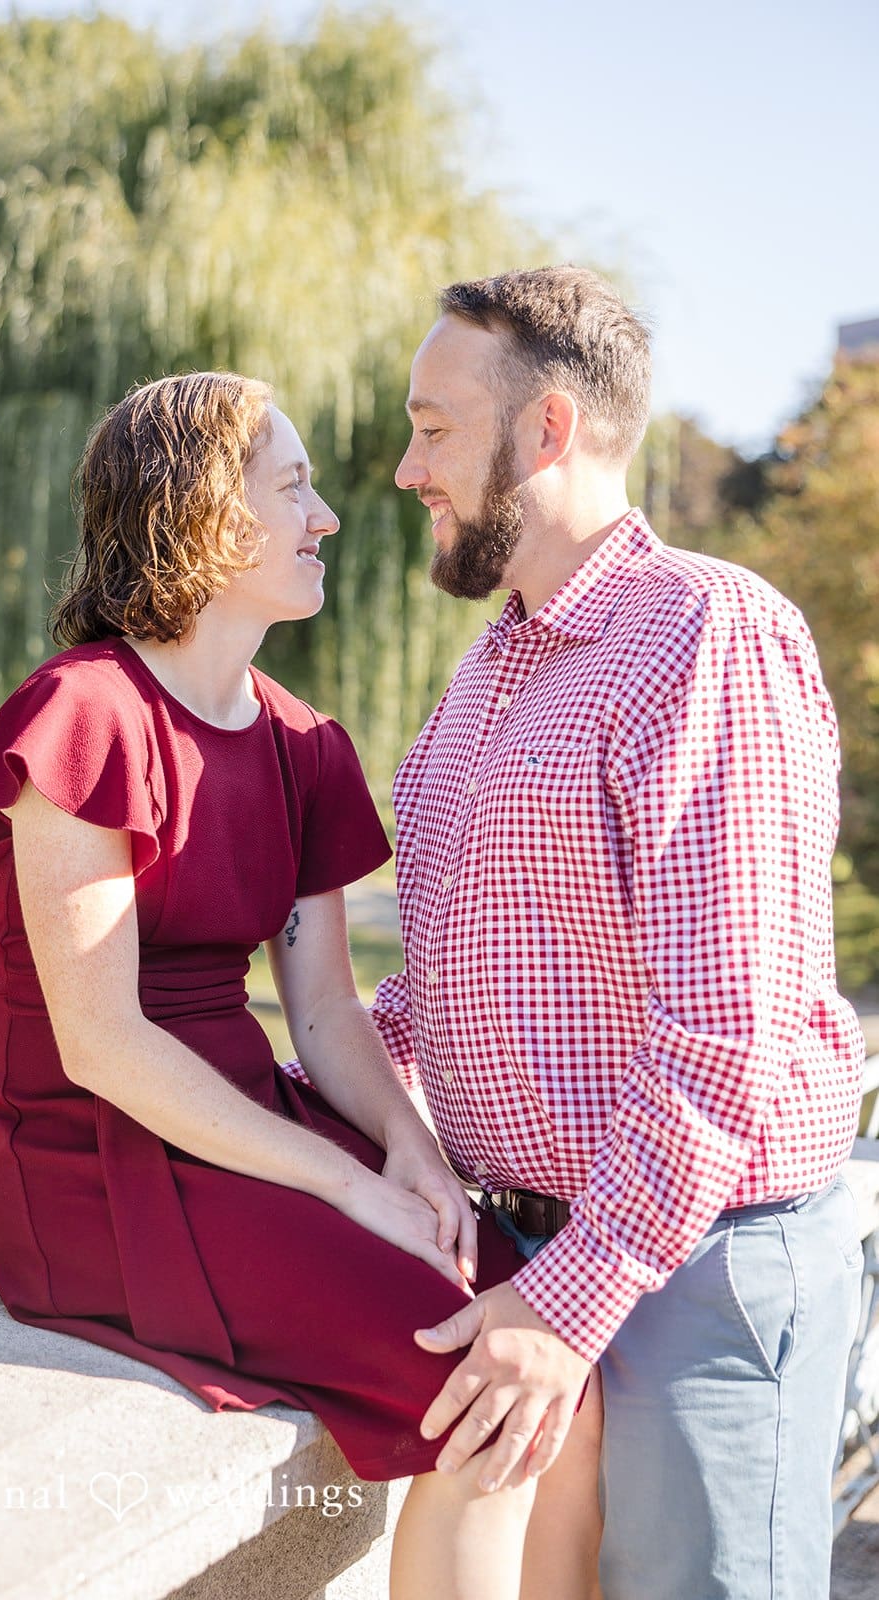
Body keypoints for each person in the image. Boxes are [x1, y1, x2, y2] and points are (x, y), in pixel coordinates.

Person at [0, 371, 603, 1600]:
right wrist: (350, 1188)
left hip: (243, 1123)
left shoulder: (302, 743)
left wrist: (413, 1158)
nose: (327, 517)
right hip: (100, 1160)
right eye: (292, 487)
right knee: (472, 1392)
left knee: (545, 1346)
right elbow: (101, 1043)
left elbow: (330, 1015)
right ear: (201, 516)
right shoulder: (81, 714)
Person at [372, 264, 866, 1600]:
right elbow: (431, 990)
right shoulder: (484, 673)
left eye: (431, 426)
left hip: (702, 1272)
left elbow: (726, 1030)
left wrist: (559, 1303)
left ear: (543, 433)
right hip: (536, 1249)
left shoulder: (707, 634)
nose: (403, 467)